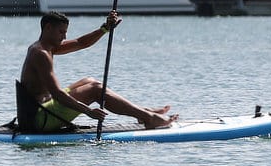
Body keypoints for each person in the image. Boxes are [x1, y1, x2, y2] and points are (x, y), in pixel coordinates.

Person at [17, 9, 177, 133]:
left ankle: (142, 113)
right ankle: (148, 118)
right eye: (61, 32)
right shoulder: (41, 53)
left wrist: (105, 28)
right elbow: (58, 95)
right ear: (48, 27)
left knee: (90, 81)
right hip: (39, 120)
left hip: (44, 111)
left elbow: (80, 42)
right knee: (95, 90)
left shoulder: (47, 47)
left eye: (65, 32)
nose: (64, 36)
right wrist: (88, 112)